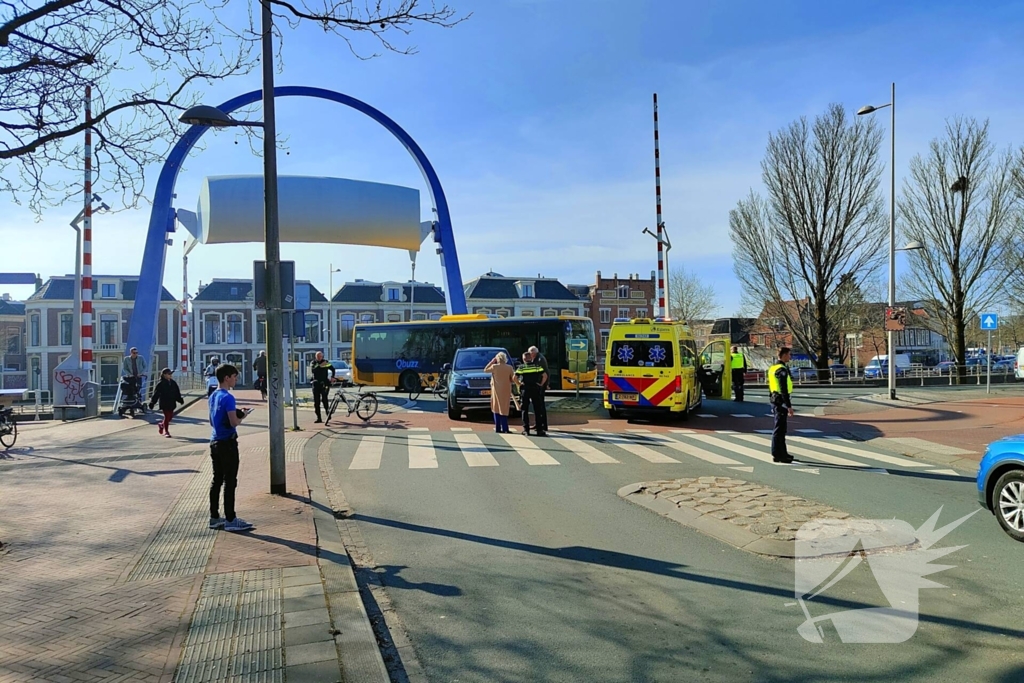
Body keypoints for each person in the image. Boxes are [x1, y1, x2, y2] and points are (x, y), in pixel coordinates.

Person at [208, 364, 254, 532]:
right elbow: (234, 422)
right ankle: (230, 518)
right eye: (234, 376)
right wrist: (243, 416)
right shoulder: (228, 397)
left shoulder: (213, 396)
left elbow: (212, 421)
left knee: (217, 479)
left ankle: (214, 517)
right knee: (230, 481)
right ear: (227, 377)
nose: (236, 379)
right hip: (228, 442)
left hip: (214, 441)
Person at [768, 347, 795, 464]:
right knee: (779, 429)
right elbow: (783, 388)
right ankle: (777, 454)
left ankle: (782, 453)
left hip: (775, 399)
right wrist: (788, 405)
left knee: (781, 429)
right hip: (780, 401)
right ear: (783, 355)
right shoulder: (781, 370)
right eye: (789, 354)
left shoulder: (773, 368)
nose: (790, 357)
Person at [515, 351, 548, 436]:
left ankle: (526, 430)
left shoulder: (521, 367)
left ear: (524, 359)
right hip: (535, 389)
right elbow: (545, 375)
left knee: (524, 409)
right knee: (537, 409)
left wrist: (519, 384)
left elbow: (514, 377)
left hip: (525, 389)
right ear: (531, 358)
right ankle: (539, 430)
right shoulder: (537, 366)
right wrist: (541, 384)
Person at [484, 351, 515, 433]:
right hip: (506, 389)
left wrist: (491, 362)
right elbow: (513, 378)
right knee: (504, 408)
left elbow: (485, 370)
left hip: (496, 390)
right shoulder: (509, 367)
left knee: (496, 408)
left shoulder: (494, 367)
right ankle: (505, 428)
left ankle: (498, 428)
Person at [149, 368, 184, 438]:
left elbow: (177, 392)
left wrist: (180, 399)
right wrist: (152, 402)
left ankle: (162, 425)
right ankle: (166, 431)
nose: (171, 375)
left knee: (170, 417)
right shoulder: (161, 384)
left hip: (172, 402)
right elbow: (156, 393)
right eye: (169, 374)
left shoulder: (173, 383)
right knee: (167, 416)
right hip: (164, 402)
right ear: (164, 375)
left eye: (171, 374)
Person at [528, 345, 550, 434]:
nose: (530, 355)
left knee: (540, 405)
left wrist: (544, 384)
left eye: (530, 353)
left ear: (533, 352)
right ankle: (539, 424)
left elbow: (545, 373)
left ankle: (542, 425)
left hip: (540, 385)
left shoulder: (540, 360)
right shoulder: (537, 358)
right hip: (539, 385)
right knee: (538, 405)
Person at [310, 352, 335, 423]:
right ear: (316, 357)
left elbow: (333, 369)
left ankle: (328, 414)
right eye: (318, 357)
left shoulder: (326, 362)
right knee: (316, 402)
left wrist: (332, 377)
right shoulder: (313, 363)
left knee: (325, 400)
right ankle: (319, 418)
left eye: (321, 356)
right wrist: (320, 365)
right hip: (316, 383)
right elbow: (313, 370)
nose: (319, 358)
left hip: (324, 383)